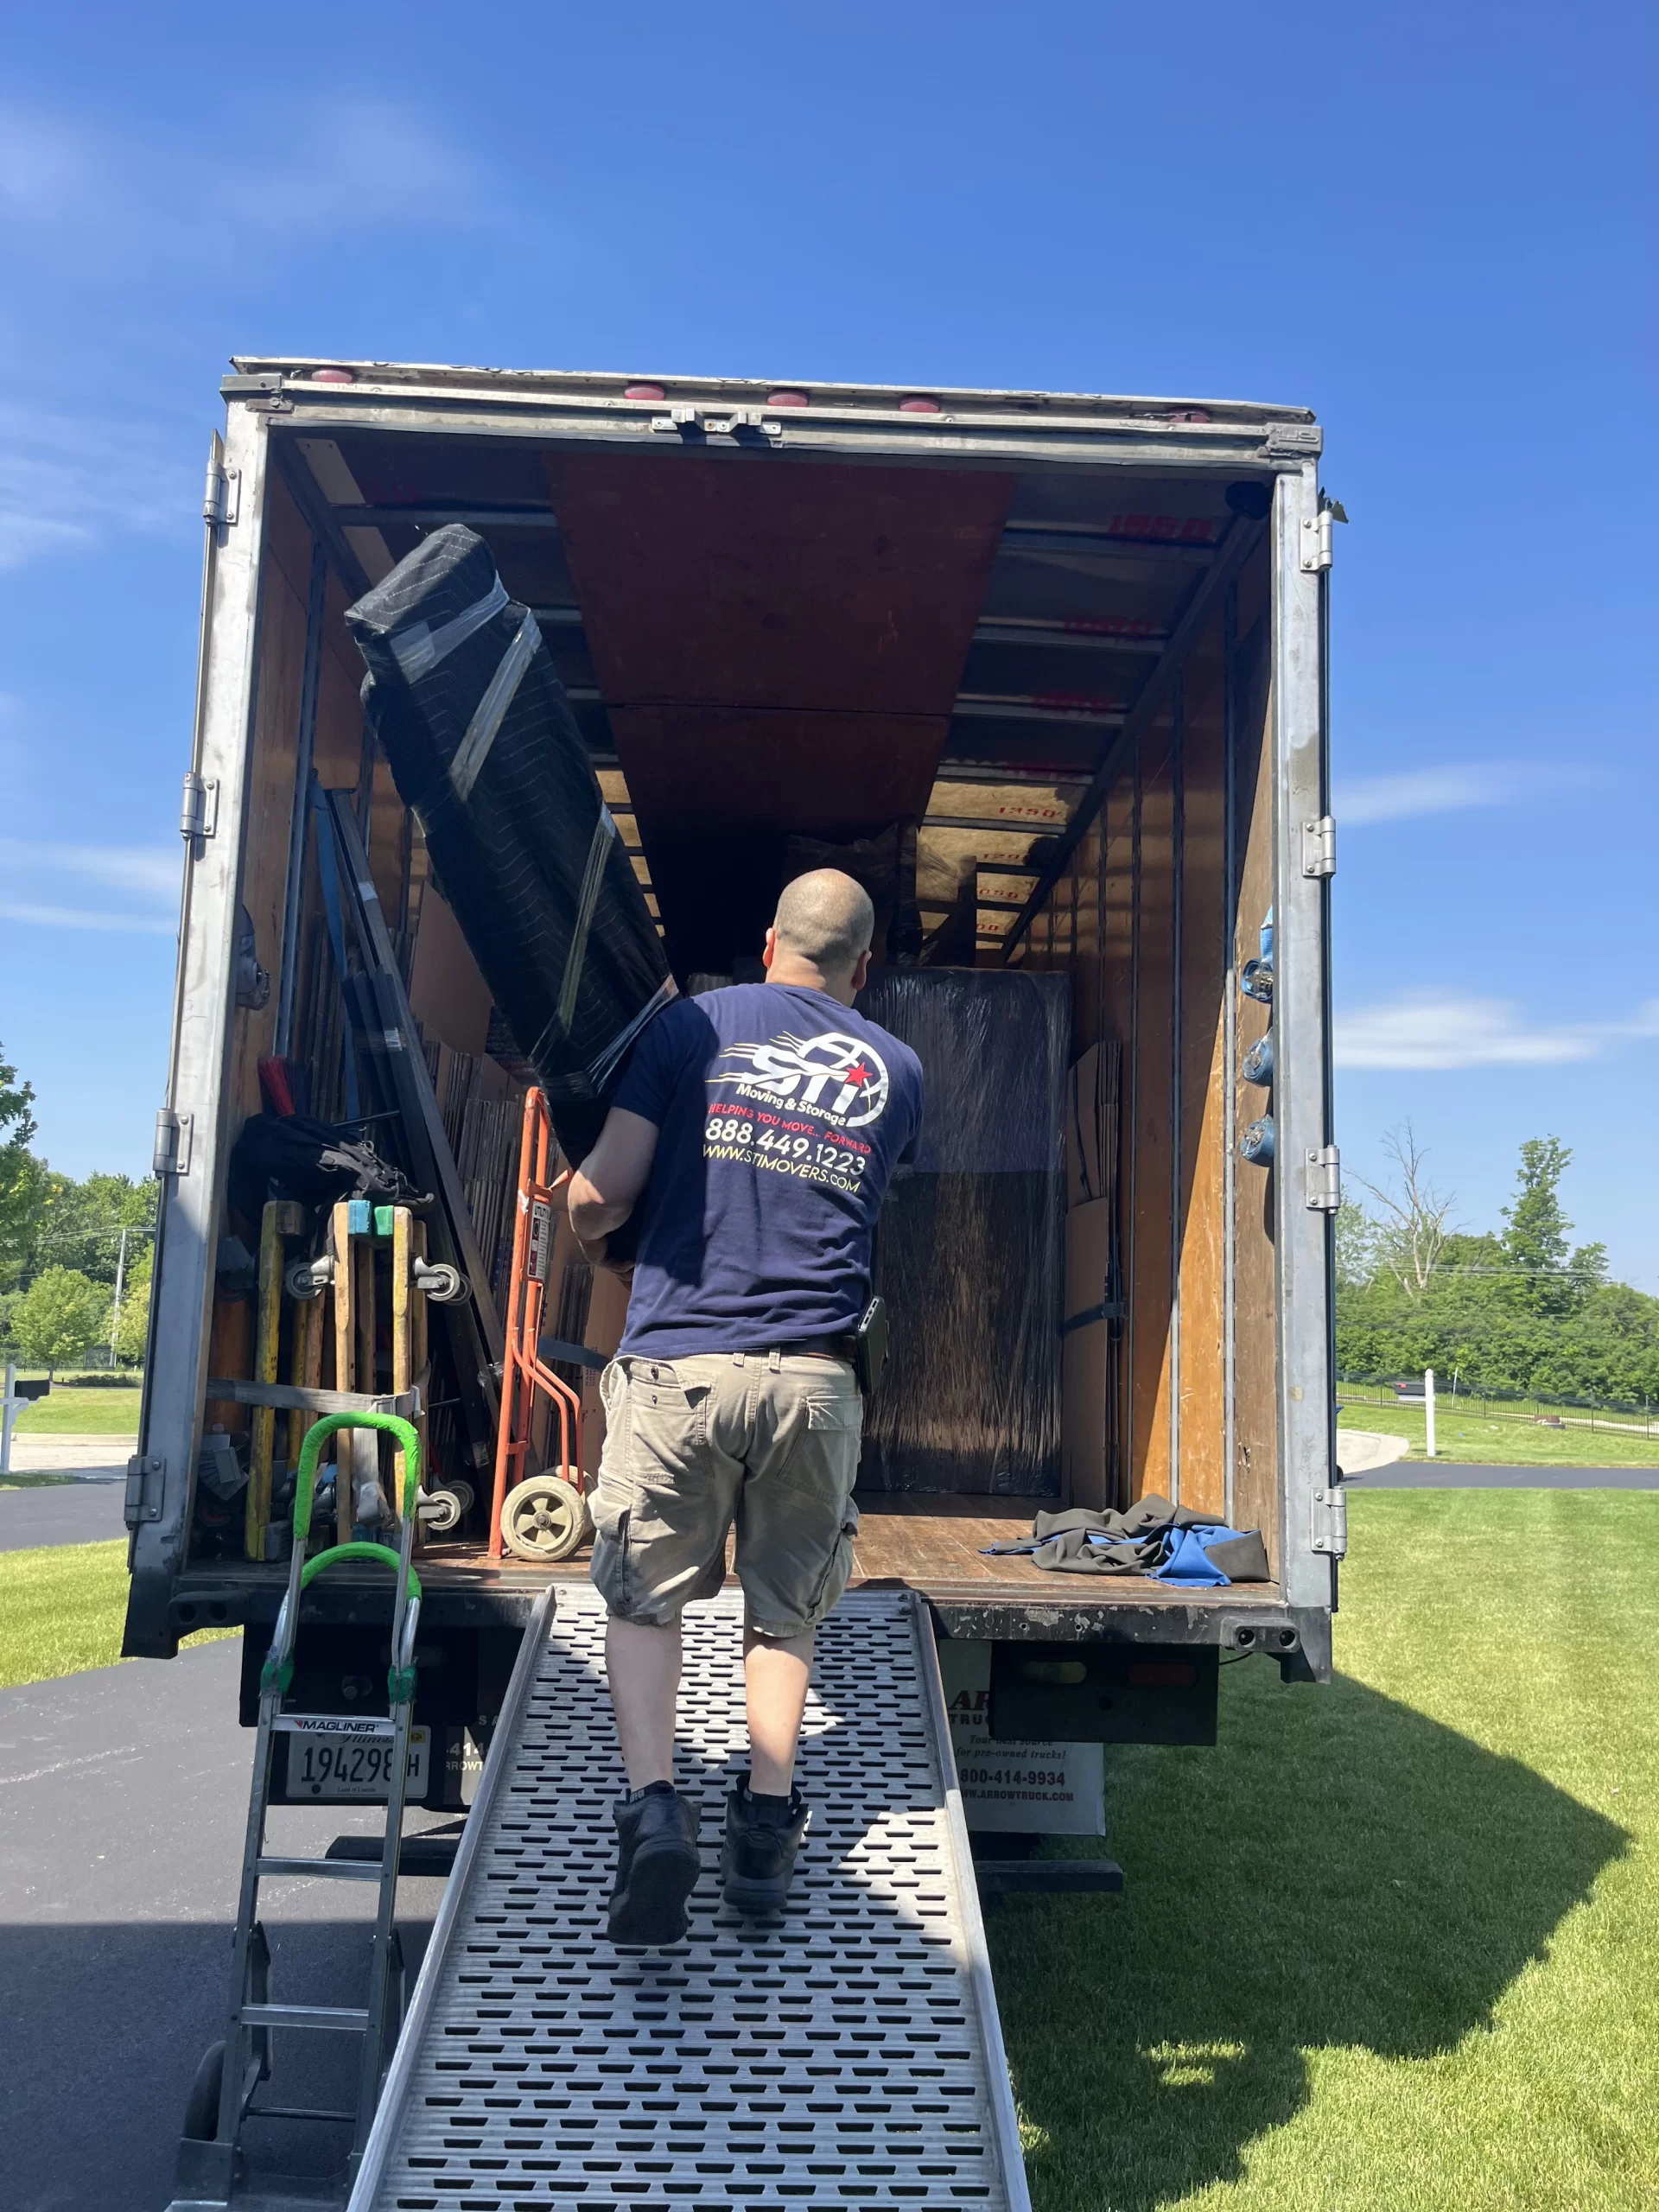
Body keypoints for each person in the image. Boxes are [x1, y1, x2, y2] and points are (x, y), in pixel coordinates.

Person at [566, 868, 924, 1945]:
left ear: (769, 940)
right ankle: (766, 1828)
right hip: (817, 1382)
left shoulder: (687, 1029)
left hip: (683, 1369)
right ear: (867, 966)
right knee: (784, 1613)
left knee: (645, 1595)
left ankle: (654, 1811)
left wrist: (579, 1215)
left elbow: (609, 1188)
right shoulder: (898, 1069)